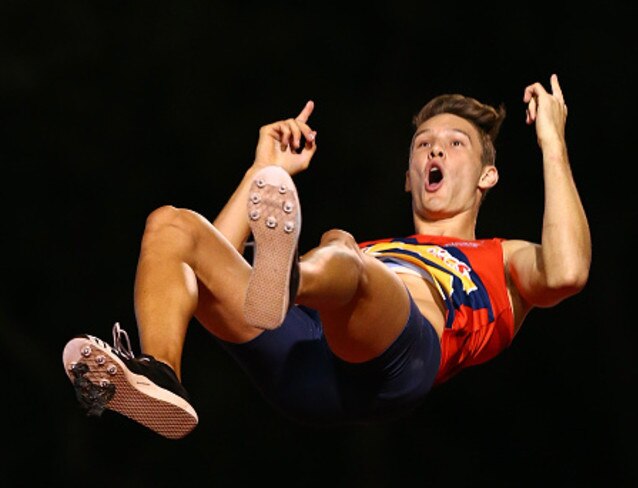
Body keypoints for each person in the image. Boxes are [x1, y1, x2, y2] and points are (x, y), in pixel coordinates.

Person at [63, 74, 591, 440]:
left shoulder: (500, 260)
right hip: (302, 361)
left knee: (344, 249)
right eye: (423, 144)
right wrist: (260, 170)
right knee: (170, 226)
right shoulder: (373, 248)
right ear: (408, 179)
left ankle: (284, 279)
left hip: (396, 363)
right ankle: (161, 377)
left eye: (455, 144)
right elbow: (199, 275)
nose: (434, 150)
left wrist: (552, 142)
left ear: (486, 176)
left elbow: (568, 271)